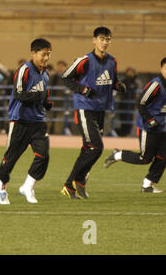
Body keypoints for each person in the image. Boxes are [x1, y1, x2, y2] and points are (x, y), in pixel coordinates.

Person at [60, 26, 127, 199]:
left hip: (100, 110)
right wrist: (82, 89)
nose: (105, 42)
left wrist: (118, 85)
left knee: (87, 148)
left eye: (108, 39)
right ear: (94, 40)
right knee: (96, 147)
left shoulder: (113, 61)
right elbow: (66, 77)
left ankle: (72, 185)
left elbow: (112, 80)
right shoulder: (85, 60)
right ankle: (76, 181)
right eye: (102, 39)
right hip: (85, 108)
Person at [0, 38, 53, 205]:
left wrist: (45, 103)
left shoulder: (46, 74)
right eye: (43, 54)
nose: (46, 58)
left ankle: (28, 186)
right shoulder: (24, 70)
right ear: (33, 54)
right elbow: (19, 95)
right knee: (11, 158)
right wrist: (39, 97)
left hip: (38, 122)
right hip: (20, 121)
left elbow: (43, 95)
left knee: (43, 156)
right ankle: (1, 187)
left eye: (48, 54)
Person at [104, 58, 166, 193]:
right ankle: (117, 155)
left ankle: (147, 184)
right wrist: (150, 120)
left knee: (164, 156)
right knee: (145, 158)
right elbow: (140, 103)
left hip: (163, 127)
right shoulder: (156, 85)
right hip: (148, 127)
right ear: (161, 69)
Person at [115, 67, 140, 137]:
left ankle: (126, 134)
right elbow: (119, 92)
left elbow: (136, 93)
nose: (130, 74)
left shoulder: (135, 83)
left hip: (131, 105)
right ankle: (120, 133)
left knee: (130, 122)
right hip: (123, 104)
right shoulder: (123, 81)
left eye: (132, 72)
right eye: (129, 72)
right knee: (123, 120)